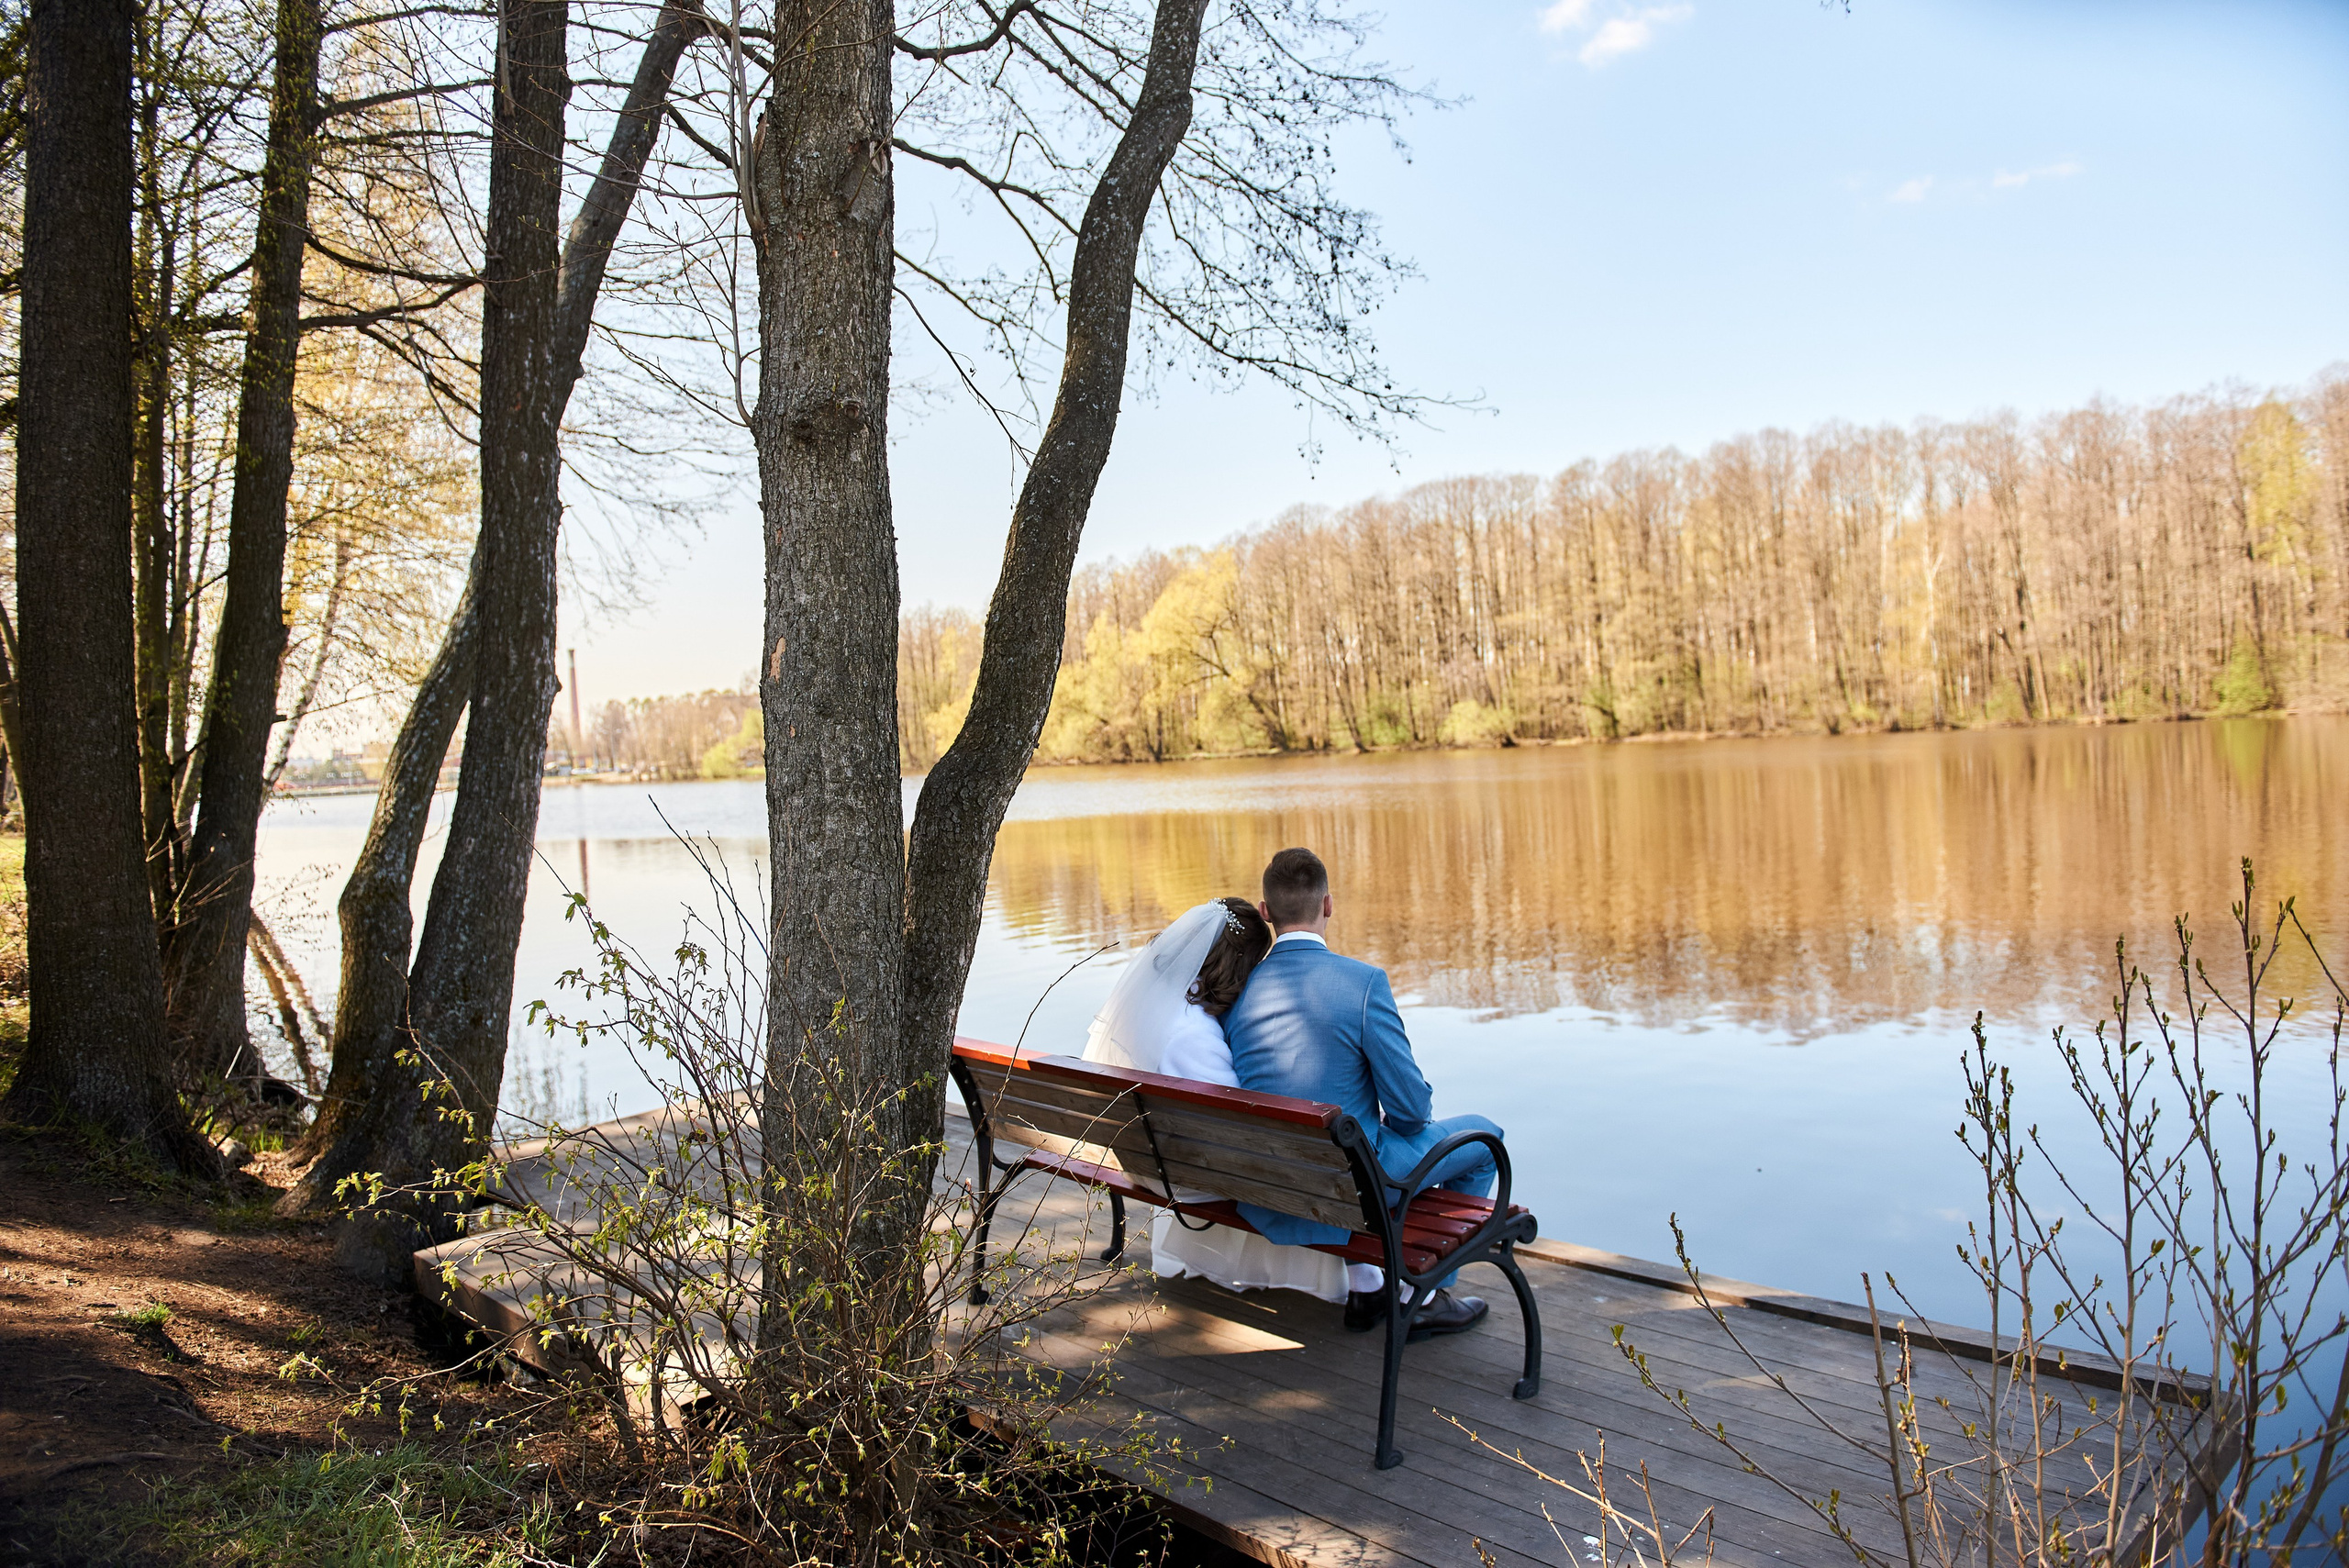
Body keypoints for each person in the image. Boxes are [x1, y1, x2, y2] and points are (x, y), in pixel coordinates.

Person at [1222, 847, 1501, 1338]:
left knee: (1356, 1145)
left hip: (1271, 1185)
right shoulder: (1364, 982)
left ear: (1266, 913)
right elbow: (1413, 1111)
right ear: (1328, 905)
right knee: (1483, 1140)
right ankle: (1427, 1295)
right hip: (1352, 1187)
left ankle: (1368, 1285)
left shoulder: (1238, 991)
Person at [1081, 897, 1358, 1303]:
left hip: (1138, 1163)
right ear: (1238, 964)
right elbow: (1245, 1128)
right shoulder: (1194, 1035)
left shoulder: (1154, 1010)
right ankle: (1362, 1278)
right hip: (1189, 1181)